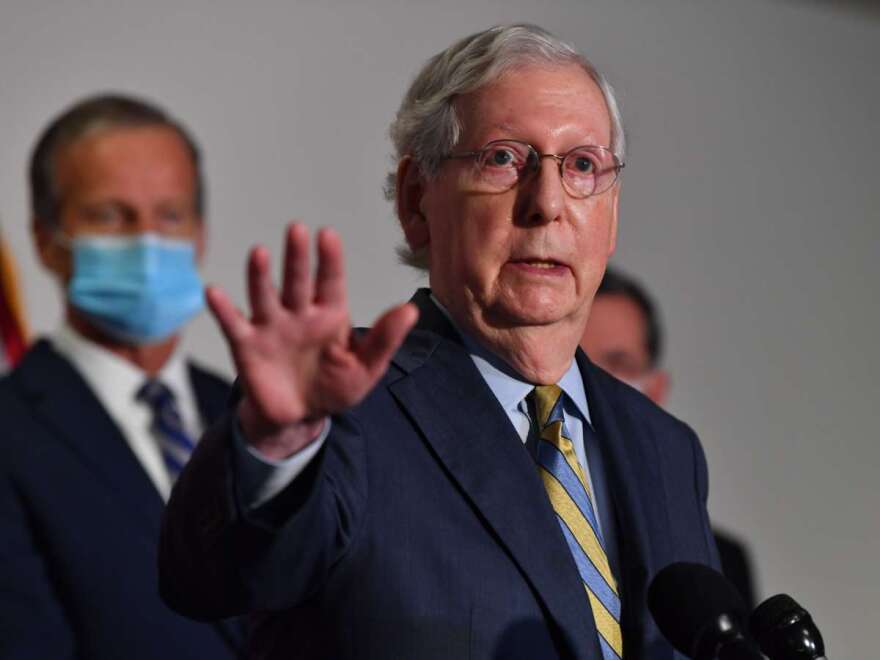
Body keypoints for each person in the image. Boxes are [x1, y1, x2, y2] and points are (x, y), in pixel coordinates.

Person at [160, 24, 720, 660]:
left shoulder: (670, 453)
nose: (547, 204)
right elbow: (214, 579)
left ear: (611, 214)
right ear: (416, 201)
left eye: (582, 167)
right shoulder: (344, 409)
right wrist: (278, 445)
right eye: (504, 159)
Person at [0, 95, 243, 659]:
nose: (147, 241)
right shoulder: (9, 434)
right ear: (46, 239)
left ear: (200, 235)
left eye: (171, 215)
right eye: (110, 215)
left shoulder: (253, 414)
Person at [580, 266, 758, 608]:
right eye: (578, 363)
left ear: (656, 390)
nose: (595, 384)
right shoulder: (502, 531)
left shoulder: (721, 563)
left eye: (617, 365)